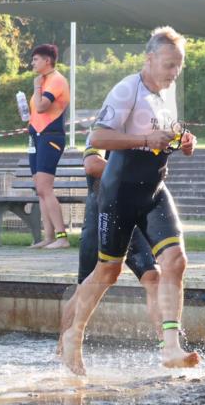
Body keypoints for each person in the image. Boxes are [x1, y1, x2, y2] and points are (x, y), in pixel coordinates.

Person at [57, 27, 200, 375]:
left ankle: (170, 347)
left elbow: (167, 130)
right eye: (168, 66)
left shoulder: (168, 92)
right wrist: (144, 138)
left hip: (153, 190)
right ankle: (71, 339)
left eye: (178, 66)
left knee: (176, 261)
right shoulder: (126, 89)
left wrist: (182, 140)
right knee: (107, 271)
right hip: (118, 194)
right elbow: (97, 136)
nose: (174, 74)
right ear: (149, 60)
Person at [58, 142, 162, 347]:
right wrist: (136, 175)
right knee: (86, 287)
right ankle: (63, 348)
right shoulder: (106, 125)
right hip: (102, 215)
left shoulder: (142, 130)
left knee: (153, 276)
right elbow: (92, 165)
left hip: (130, 214)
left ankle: (167, 346)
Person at [25, 43, 71, 249]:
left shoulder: (56, 80)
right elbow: (35, 111)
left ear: (47, 61)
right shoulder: (42, 81)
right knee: (40, 189)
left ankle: (62, 237)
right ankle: (49, 236)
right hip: (35, 136)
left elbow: (43, 107)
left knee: (45, 187)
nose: (32, 62)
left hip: (50, 136)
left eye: (35, 59)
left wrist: (36, 87)